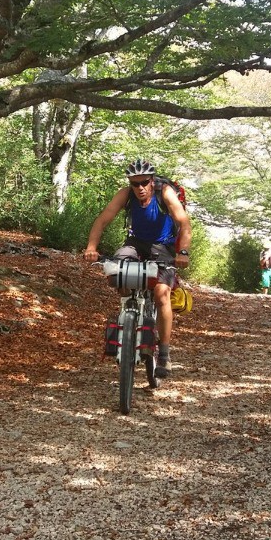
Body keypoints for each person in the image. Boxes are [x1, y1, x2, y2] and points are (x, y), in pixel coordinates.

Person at [83, 158, 192, 380]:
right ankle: (128, 315)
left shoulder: (165, 193)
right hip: (135, 242)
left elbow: (184, 222)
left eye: (144, 182)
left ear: (152, 181)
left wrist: (183, 253)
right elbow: (103, 220)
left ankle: (164, 354)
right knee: (118, 271)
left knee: (162, 294)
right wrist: (92, 247)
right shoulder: (126, 194)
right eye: (135, 183)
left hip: (163, 246)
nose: (139, 188)